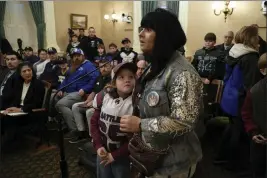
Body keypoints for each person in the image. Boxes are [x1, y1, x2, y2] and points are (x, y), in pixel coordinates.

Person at [119, 8, 203, 178]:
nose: (141, 34)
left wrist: (141, 124)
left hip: (175, 163)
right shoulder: (156, 65)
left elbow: (184, 122)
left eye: (148, 29)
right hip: (153, 157)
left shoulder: (182, 73)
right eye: (141, 29)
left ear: (164, 35)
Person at [219, 25, 263, 170]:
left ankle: (220, 157)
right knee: (238, 132)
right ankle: (233, 164)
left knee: (232, 127)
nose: (258, 39)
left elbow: (227, 76)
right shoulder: (250, 57)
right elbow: (251, 85)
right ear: (252, 38)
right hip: (240, 99)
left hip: (229, 96)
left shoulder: (234, 50)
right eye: (256, 36)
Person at [91, 62, 137, 178]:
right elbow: (94, 123)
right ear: (114, 81)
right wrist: (98, 145)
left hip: (123, 155)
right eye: (121, 77)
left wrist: (115, 155)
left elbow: (137, 138)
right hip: (102, 151)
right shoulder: (103, 97)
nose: (127, 80)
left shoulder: (137, 104)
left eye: (131, 77)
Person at [55, 48, 99, 138]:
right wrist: (60, 89)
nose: (76, 58)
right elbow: (65, 80)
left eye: (78, 56)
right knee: (54, 97)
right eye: (74, 56)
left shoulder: (89, 66)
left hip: (79, 92)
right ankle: (65, 124)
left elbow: (94, 79)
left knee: (60, 104)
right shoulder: (72, 67)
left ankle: (74, 129)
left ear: (83, 56)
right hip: (67, 91)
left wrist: (85, 89)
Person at [70, 59, 112, 143]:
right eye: (101, 67)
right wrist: (87, 100)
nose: (103, 69)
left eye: (105, 66)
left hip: (104, 104)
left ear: (110, 67)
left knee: (89, 112)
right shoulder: (99, 77)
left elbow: (107, 96)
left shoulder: (112, 79)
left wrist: (93, 103)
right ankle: (81, 132)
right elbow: (94, 91)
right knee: (75, 107)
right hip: (93, 101)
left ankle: (93, 138)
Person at [242, 53, 267, 178]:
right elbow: (247, 114)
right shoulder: (254, 91)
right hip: (260, 140)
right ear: (263, 71)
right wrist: (253, 132)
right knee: (258, 169)